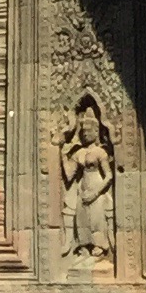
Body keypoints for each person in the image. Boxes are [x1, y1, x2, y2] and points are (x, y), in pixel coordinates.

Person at [61, 96, 116, 261]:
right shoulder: (79, 153)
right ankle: (84, 246)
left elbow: (109, 176)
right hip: (82, 189)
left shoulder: (100, 152)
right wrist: (63, 154)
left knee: (97, 219)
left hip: (97, 190)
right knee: (82, 217)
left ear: (96, 132)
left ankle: (100, 246)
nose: (85, 134)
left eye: (88, 131)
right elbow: (70, 175)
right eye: (83, 132)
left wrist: (96, 192)